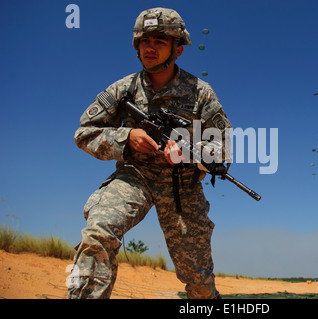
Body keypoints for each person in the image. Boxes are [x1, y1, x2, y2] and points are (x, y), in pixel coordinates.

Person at [68, 7, 231, 299]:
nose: (150, 47)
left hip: (182, 184)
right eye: (145, 41)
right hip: (135, 175)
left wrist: (189, 153)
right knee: (98, 232)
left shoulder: (200, 92)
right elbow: (84, 133)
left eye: (159, 41)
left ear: (177, 50)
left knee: (199, 280)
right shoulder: (122, 90)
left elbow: (224, 146)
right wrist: (125, 136)